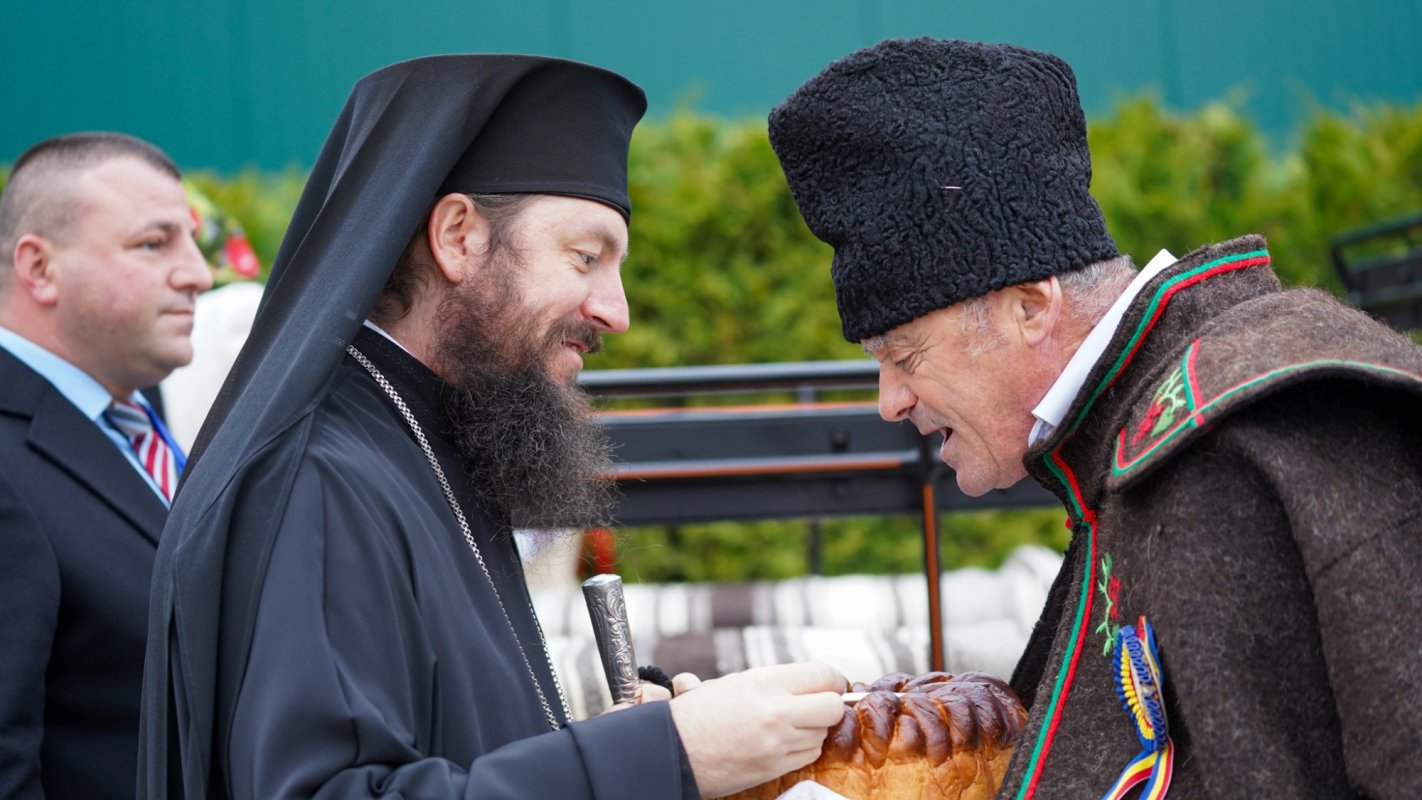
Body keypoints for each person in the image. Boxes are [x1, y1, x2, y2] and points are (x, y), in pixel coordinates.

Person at [139, 55, 847, 800]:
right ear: (458, 237)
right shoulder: (320, 480)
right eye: (585, 257)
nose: (616, 311)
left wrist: (631, 742)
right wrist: (664, 755)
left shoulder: (431, 434)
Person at [767, 38, 1422, 799]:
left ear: (1029, 307)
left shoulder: (1269, 426)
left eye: (905, 356)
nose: (889, 401)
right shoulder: (1143, 436)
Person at [0, 132, 212, 798]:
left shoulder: (137, 415)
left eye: (192, 241)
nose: (198, 274)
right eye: (153, 244)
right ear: (39, 268)